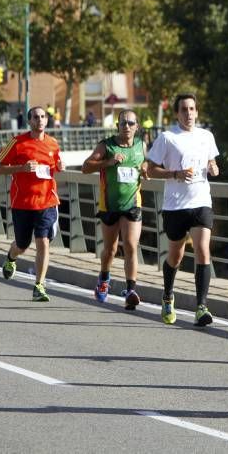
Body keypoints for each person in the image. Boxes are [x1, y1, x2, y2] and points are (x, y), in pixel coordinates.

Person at [145, 93, 220, 326]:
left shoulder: (206, 136)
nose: (189, 113)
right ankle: (168, 295)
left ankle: (202, 307)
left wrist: (213, 166)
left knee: (202, 250)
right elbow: (149, 169)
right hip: (175, 206)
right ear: (177, 113)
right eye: (184, 109)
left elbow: (211, 161)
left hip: (201, 202)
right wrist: (175, 174)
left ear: (197, 112)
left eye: (192, 109)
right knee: (176, 256)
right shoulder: (167, 138)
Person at [82, 109, 148, 310]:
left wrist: (146, 167)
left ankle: (130, 290)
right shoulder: (107, 145)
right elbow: (86, 167)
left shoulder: (141, 145)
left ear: (137, 126)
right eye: (123, 123)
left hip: (132, 204)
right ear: (117, 126)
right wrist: (108, 163)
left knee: (130, 245)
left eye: (130, 123)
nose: (126, 126)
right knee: (110, 250)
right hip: (109, 204)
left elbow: (148, 163)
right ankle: (103, 278)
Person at [0, 106, 63, 302]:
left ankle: (39, 286)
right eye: (35, 117)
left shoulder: (53, 143)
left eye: (43, 117)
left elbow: (55, 164)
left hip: (47, 201)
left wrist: (59, 166)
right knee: (22, 244)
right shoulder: (16, 142)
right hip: (22, 203)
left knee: (43, 242)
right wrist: (22, 168)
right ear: (29, 121)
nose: (39, 120)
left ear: (47, 120)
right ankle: (11, 257)